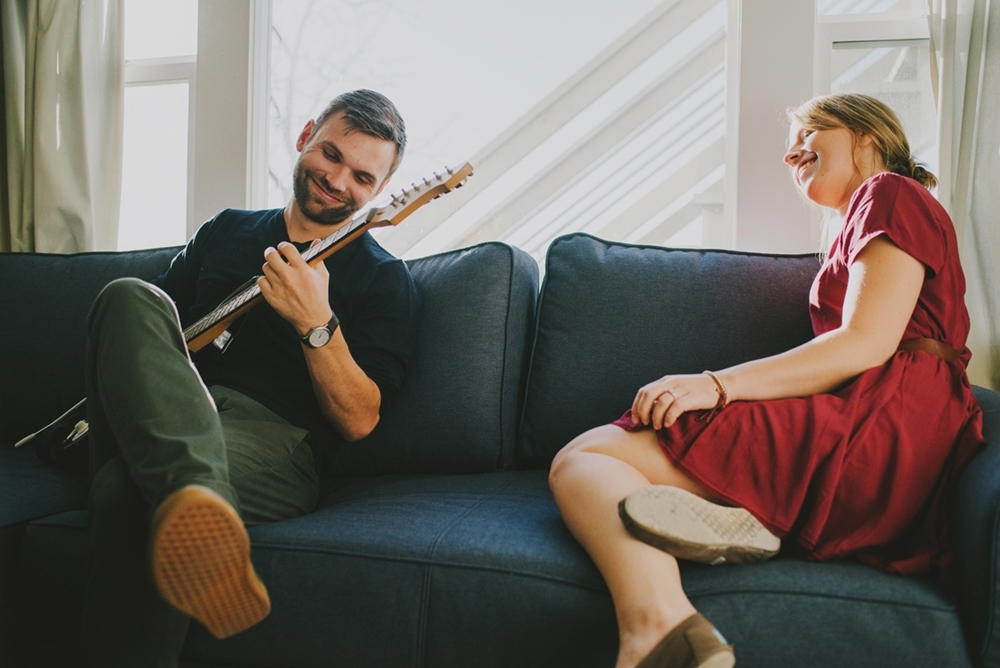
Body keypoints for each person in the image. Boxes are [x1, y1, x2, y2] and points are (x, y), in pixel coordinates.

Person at [547, 93, 985, 668]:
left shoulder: (890, 193)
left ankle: (662, 628)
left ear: (867, 137)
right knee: (592, 458)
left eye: (810, 132)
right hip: (891, 434)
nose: (790, 154)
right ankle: (735, 533)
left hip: (881, 427)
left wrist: (714, 384)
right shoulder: (866, 218)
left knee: (586, 459)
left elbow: (866, 342)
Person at [79, 89, 419, 667]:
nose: (339, 180)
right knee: (128, 296)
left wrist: (317, 322)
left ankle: (192, 500)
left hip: (272, 442)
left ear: (381, 192)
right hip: (170, 405)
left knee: (121, 489)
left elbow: (360, 420)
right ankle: (197, 504)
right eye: (331, 154)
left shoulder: (385, 281)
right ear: (306, 134)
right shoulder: (228, 229)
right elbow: (150, 336)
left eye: (363, 176)